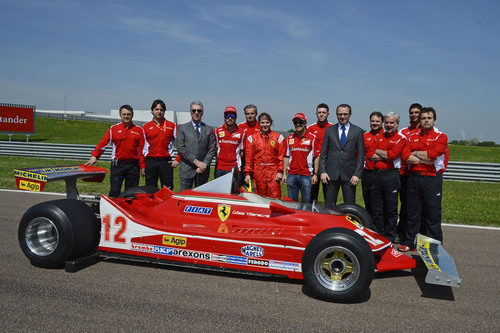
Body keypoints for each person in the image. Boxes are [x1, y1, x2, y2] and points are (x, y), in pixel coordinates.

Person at [400, 107, 448, 251]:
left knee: (432, 214)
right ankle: (410, 243)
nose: (426, 120)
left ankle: (435, 246)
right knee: (412, 212)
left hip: (432, 180)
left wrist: (416, 155)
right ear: (419, 120)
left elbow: (433, 156)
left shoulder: (441, 136)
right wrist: (424, 158)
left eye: (429, 118)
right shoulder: (412, 136)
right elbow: (405, 156)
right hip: (414, 178)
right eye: (423, 118)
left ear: (434, 120)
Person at [86, 105, 145, 197]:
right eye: (124, 114)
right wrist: (94, 156)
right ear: (120, 115)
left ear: (132, 115)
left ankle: (127, 211)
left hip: (133, 166)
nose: (126, 116)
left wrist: (142, 166)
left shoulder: (139, 130)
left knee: (131, 193)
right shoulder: (113, 129)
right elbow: (103, 144)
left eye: (129, 114)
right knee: (114, 191)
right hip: (118, 165)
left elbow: (142, 150)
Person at [367, 112, 406, 241]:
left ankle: (389, 236)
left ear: (397, 124)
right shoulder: (379, 136)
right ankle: (378, 234)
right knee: (376, 207)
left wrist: (382, 153)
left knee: (390, 208)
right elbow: (370, 155)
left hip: (391, 176)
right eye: (387, 122)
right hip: (376, 174)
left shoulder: (401, 138)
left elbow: (393, 155)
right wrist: (386, 154)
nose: (388, 125)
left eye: (391, 123)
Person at [319, 104, 364, 207]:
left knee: (350, 206)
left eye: (345, 114)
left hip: (349, 176)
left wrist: (357, 174)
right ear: (336, 115)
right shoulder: (329, 130)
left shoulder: (358, 131)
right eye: (340, 114)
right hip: (331, 175)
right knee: (329, 206)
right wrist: (323, 171)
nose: (342, 117)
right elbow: (323, 153)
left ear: (350, 115)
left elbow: (361, 156)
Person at [176, 101, 216, 191]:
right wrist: (196, 161)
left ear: (202, 112)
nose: (196, 113)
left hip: (203, 170)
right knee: (185, 198)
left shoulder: (209, 129)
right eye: (194, 110)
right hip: (186, 170)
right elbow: (180, 148)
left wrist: (204, 164)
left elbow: (212, 149)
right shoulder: (182, 128)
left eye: (199, 110)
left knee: (200, 199)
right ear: (190, 112)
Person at [397, 103, 422, 242]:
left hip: (418, 174)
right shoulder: (403, 131)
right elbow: (400, 152)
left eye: (416, 112)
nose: (414, 115)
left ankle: (416, 233)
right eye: (411, 112)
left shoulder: (425, 131)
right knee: (404, 204)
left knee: (416, 206)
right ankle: (401, 231)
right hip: (403, 174)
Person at [244, 113, 285, 199]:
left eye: (267, 122)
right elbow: (249, 158)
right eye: (262, 123)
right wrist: (248, 173)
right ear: (259, 124)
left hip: (273, 172)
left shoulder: (279, 137)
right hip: (258, 172)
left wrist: (280, 172)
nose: (265, 125)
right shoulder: (252, 138)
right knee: (259, 198)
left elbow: (281, 157)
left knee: (275, 197)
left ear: (271, 123)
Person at [283, 113, 320, 203]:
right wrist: (284, 173)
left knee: (306, 202)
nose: (298, 124)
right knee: (292, 203)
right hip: (292, 175)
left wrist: (315, 174)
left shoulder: (312, 137)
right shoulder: (289, 138)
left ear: (305, 123)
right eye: (296, 122)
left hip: (306, 175)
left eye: (301, 122)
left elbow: (316, 157)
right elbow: (286, 156)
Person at [142, 99, 177, 189]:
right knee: (150, 189)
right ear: (152, 111)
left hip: (166, 162)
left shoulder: (172, 126)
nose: (159, 112)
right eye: (156, 109)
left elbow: (182, 144)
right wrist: (142, 166)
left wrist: (177, 159)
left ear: (164, 111)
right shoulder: (146, 127)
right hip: (150, 161)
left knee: (167, 190)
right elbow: (142, 148)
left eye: (161, 109)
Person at [307, 103, 333, 203]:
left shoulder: (333, 128)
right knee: (312, 193)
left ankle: (328, 214)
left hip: (328, 164)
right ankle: (312, 214)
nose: (321, 114)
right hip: (314, 164)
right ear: (316, 114)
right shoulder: (310, 128)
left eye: (323, 112)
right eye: (319, 112)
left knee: (328, 193)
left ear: (328, 114)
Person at [362, 111, 384, 218]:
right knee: (368, 202)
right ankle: (369, 227)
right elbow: (363, 154)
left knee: (381, 203)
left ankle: (381, 230)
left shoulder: (387, 135)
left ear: (382, 122)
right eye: (372, 121)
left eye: (377, 121)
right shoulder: (365, 136)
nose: (375, 123)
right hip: (367, 173)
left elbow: (390, 155)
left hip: (382, 174)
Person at [214, 106, 244, 178]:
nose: (230, 118)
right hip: (220, 168)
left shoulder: (242, 133)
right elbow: (215, 149)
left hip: (235, 167)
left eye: (232, 116)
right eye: (227, 116)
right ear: (224, 117)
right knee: (219, 189)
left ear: (236, 118)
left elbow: (242, 151)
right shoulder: (217, 131)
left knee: (234, 189)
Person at [238, 104, 260, 183]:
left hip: (257, 162)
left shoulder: (261, 127)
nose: (250, 116)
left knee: (256, 186)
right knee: (240, 185)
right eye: (247, 114)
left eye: (252, 113)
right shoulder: (240, 127)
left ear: (256, 114)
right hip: (243, 161)